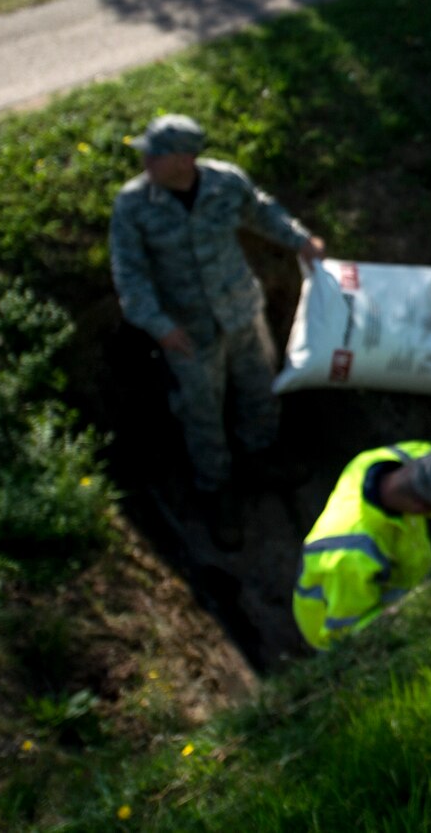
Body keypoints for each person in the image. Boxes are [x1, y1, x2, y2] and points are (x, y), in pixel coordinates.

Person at [109, 114, 324, 549]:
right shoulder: (133, 205)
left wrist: (301, 239)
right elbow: (129, 277)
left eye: (156, 153)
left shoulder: (225, 184)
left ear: (185, 158)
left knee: (260, 388)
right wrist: (159, 326)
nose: (145, 159)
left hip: (242, 311)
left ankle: (262, 456)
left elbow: (261, 212)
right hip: (187, 333)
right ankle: (216, 490)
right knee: (200, 414)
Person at [292, 441, 431, 652]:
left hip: (392, 584)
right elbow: (348, 634)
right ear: (421, 507)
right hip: (337, 621)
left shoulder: (411, 458)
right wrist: (418, 609)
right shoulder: (350, 553)